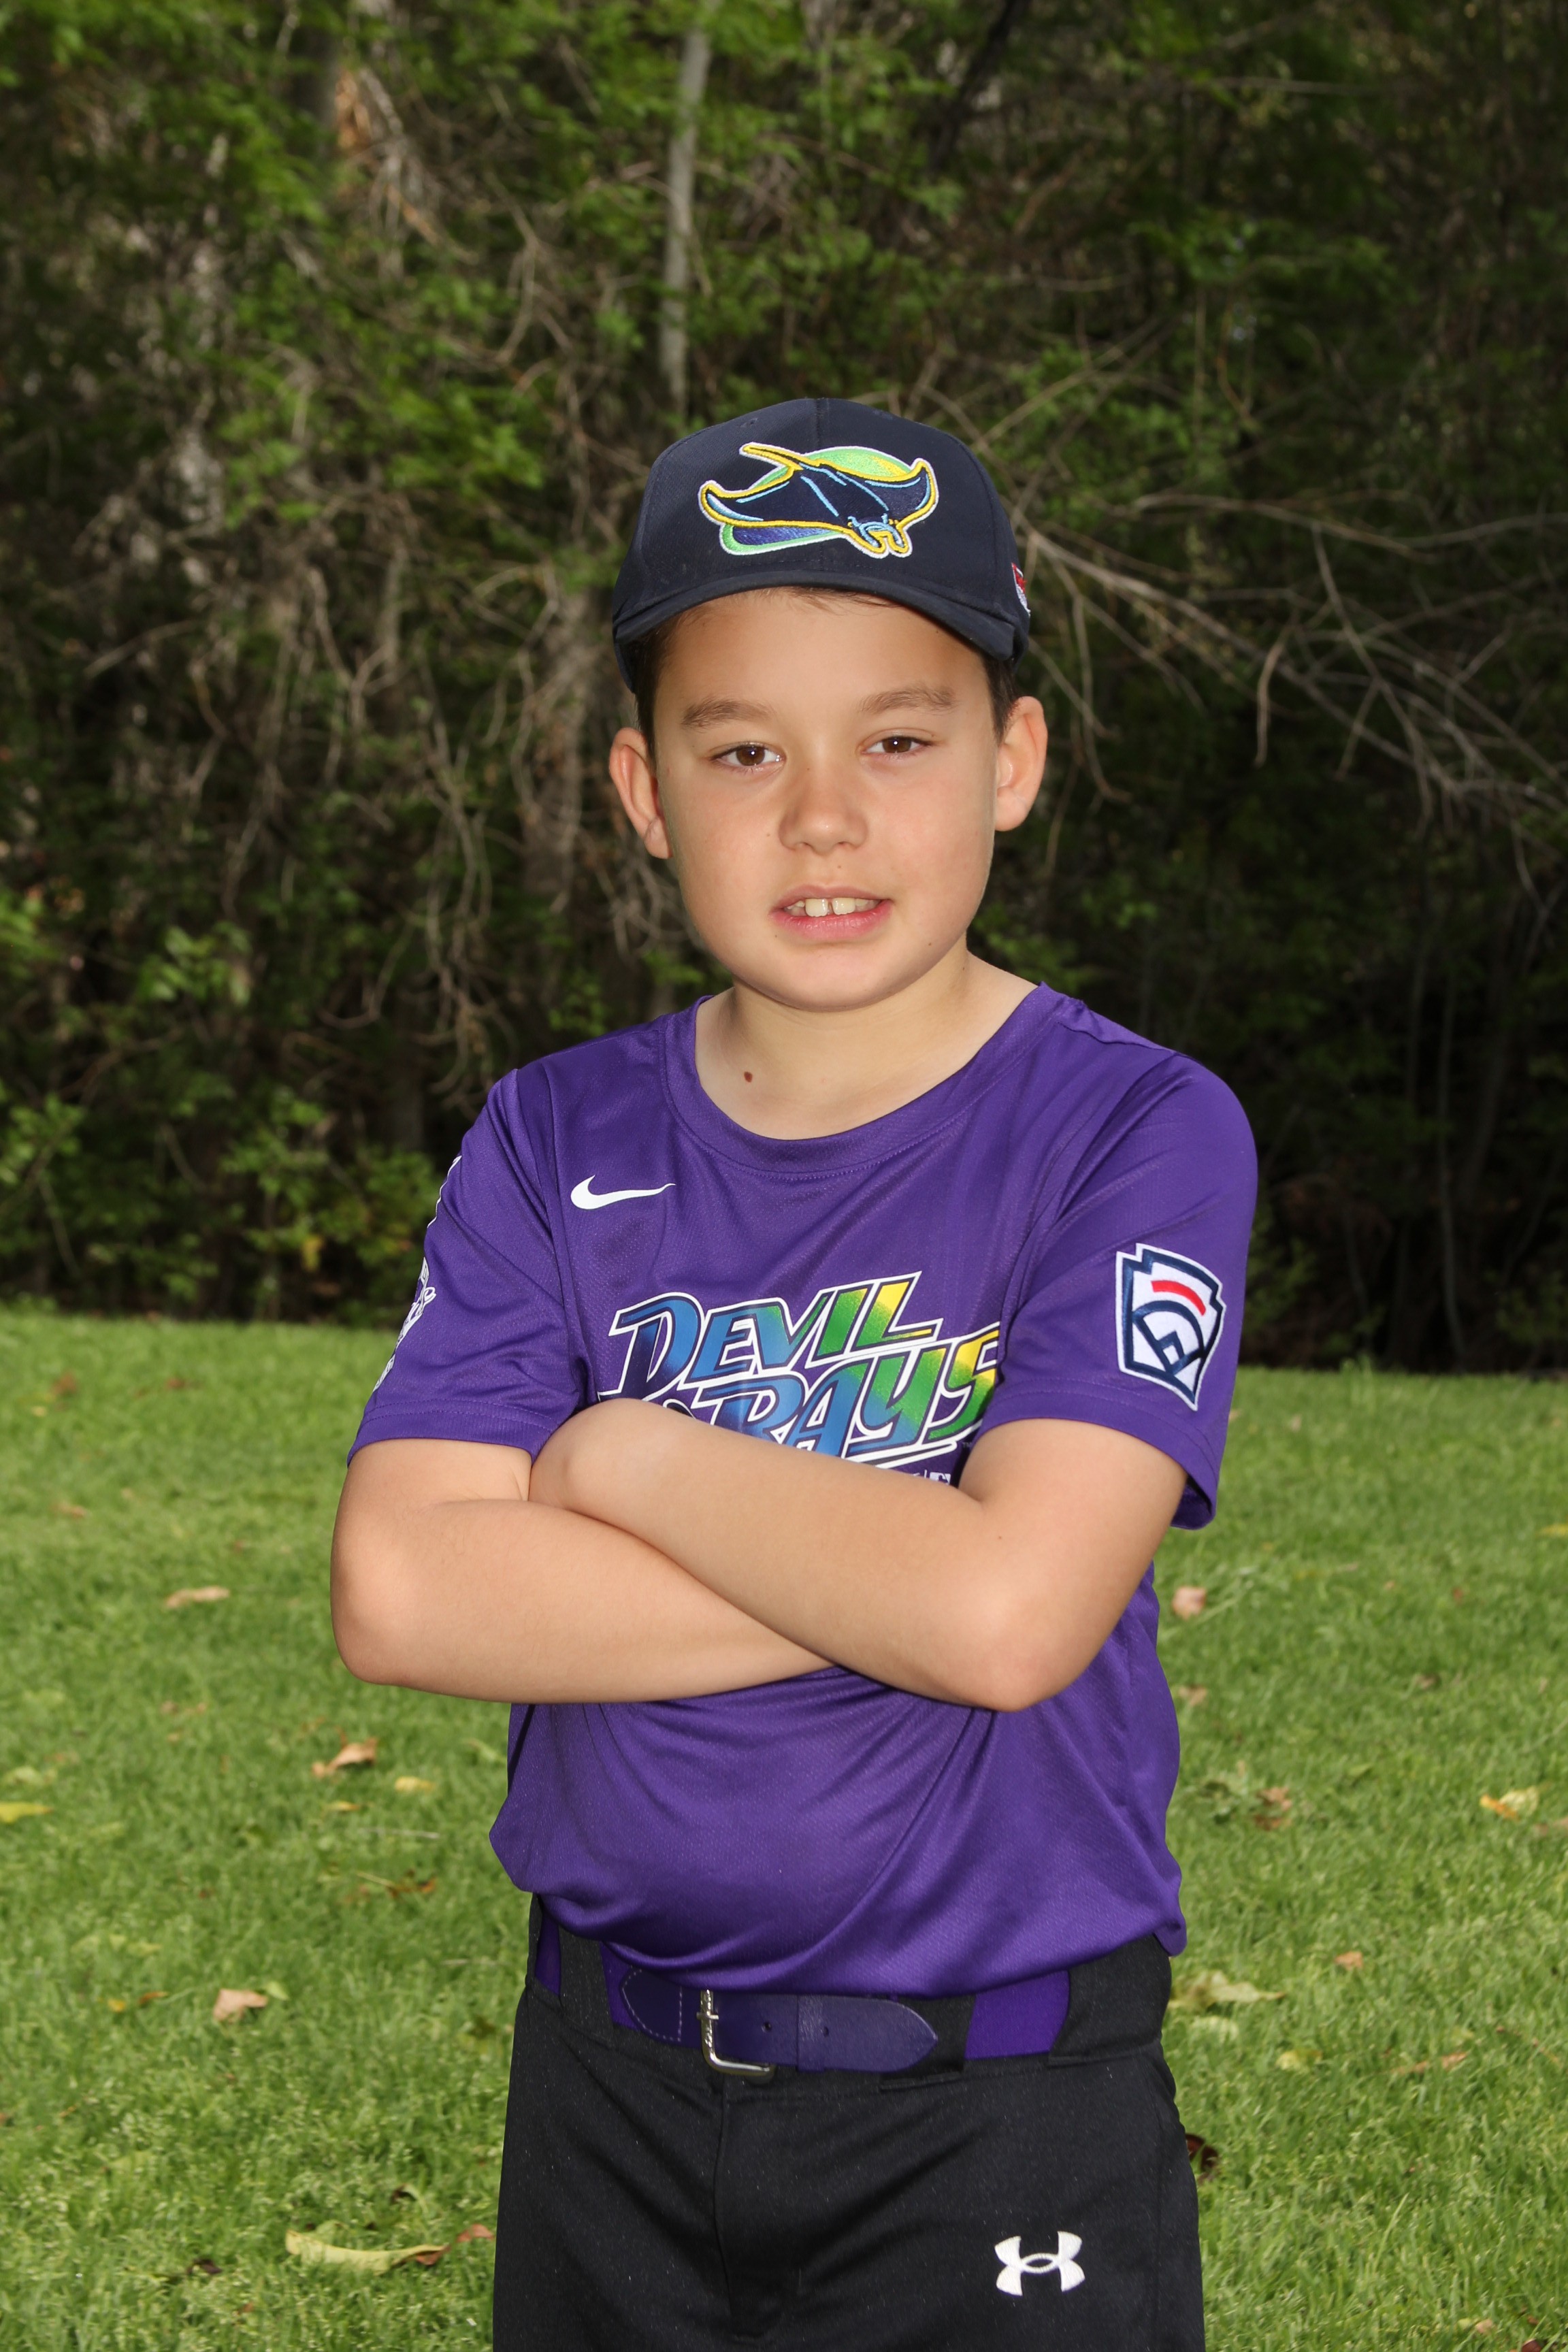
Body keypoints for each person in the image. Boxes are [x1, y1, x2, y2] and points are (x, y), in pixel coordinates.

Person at [331, 397, 1256, 2351]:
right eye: (742, 748)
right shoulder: (552, 1135)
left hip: (998, 2103)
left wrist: (626, 1456)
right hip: (610, 2089)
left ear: (1014, 760)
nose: (821, 816)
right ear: (644, 788)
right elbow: (405, 1589)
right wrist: (910, 1563)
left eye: (898, 741)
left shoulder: (1134, 1127)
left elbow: (1012, 1621)